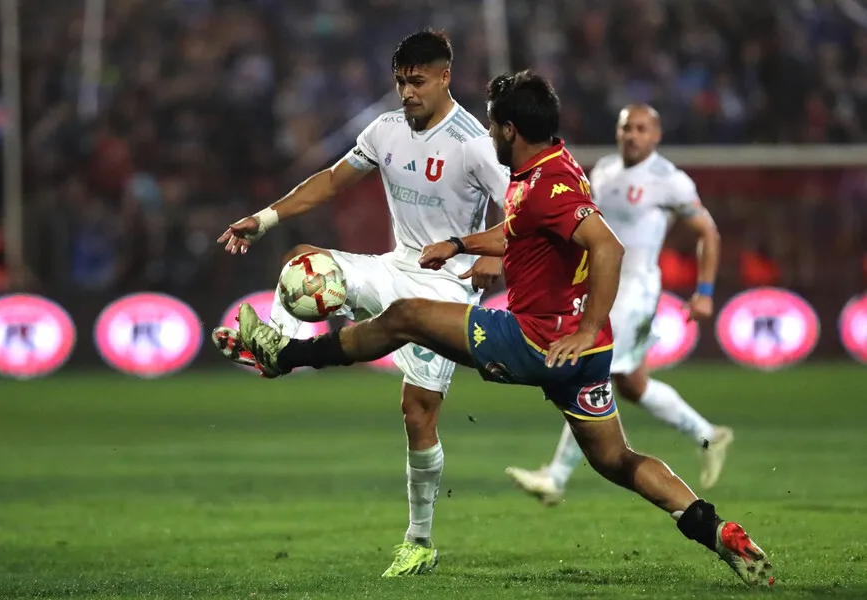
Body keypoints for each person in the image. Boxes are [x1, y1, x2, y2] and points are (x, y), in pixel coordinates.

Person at [232, 71, 774, 588]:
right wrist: (462, 244)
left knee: (407, 317)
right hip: (581, 354)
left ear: (509, 130)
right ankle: (716, 530)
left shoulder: (547, 184)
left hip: (539, 341)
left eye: (493, 126)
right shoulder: (549, 166)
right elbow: (521, 232)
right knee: (616, 459)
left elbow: (608, 246)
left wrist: (584, 328)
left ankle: (287, 357)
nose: (488, 133)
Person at [212, 30, 510, 577]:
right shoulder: (387, 129)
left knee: (417, 415)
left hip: (444, 288)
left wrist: (493, 254)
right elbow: (329, 182)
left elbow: (519, 209)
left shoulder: (474, 140)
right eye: (400, 81)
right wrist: (264, 218)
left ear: (445, 77)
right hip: (395, 267)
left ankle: (419, 539)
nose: (407, 91)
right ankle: (276, 346)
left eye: (417, 81)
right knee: (303, 261)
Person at [506, 104, 732, 504]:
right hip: (603, 287)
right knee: (632, 384)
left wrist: (705, 292)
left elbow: (707, 232)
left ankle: (555, 477)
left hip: (637, 292)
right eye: (626, 128)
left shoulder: (669, 180)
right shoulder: (604, 170)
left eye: (641, 129)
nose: (632, 135)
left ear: (656, 135)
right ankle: (709, 436)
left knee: (592, 370)